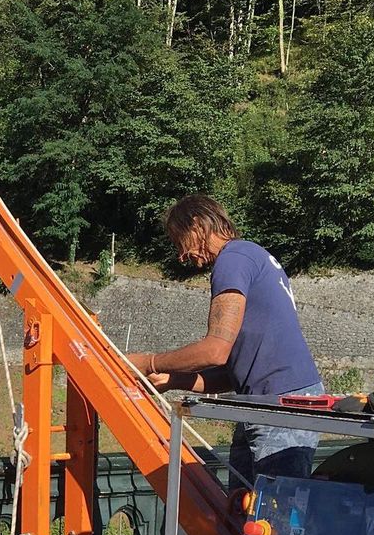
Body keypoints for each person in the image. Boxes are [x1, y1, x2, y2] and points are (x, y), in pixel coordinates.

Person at [129, 194, 322, 488]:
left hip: (281, 405)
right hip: (266, 400)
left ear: (197, 225)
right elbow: (230, 374)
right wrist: (173, 379)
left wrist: (148, 362)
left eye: (180, 242)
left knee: (273, 508)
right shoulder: (251, 256)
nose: (182, 256)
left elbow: (215, 350)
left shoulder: (232, 260)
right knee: (242, 504)